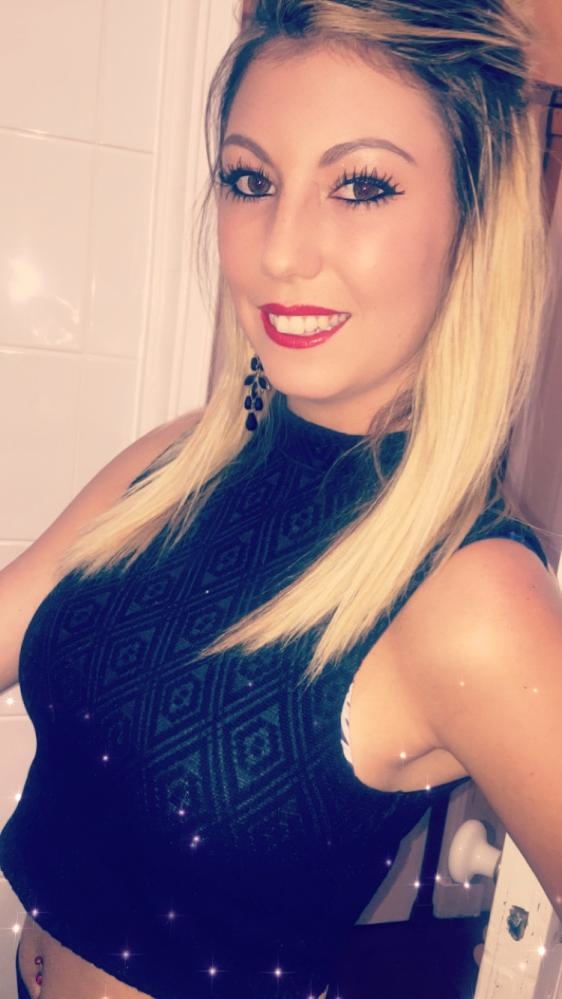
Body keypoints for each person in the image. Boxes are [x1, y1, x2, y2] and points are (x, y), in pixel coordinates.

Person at [2, 1, 562, 997]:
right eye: (250, 180)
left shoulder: (471, 593)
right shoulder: (175, 463)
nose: (280, 250)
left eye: (361, 186)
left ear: (472, 221)